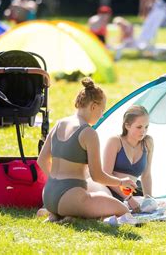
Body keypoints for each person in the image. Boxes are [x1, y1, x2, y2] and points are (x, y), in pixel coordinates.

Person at [37, 78, 137, 221]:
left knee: (95, 199)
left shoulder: (59, 124)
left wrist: (56, 182)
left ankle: (60, 215)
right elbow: (97, 176)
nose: (102, 115)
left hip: (48, 194)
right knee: (123, 210)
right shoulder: (88, 133)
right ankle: (72, 214)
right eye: (102, 110)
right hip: (71, 197)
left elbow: (41, 160)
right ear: (93, 106)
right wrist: (122, 182)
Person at [102, 105, 154, 213]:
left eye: (146, 127)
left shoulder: (148, 143)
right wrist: (129, 199)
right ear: (127, 125)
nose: (143, 131)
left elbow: (146, 175)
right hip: (108, 190)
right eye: (139, 127)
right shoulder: (115, 141)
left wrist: (149, 200)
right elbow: (106, 175)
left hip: (131, 192)